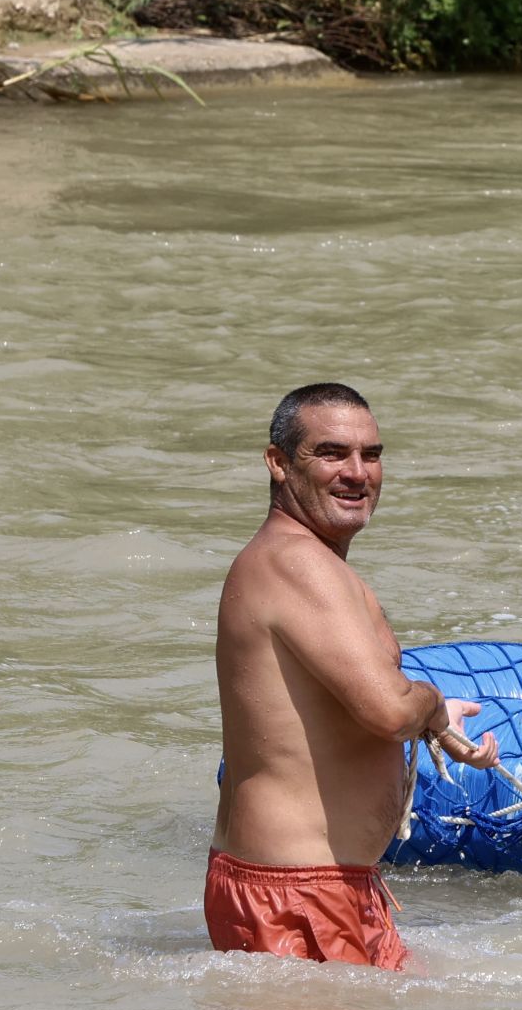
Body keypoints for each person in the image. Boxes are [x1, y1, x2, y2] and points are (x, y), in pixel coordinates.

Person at [206, 382, 499, 971]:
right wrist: (432, 706)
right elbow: (389, 711)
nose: (358, 472)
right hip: (296, 891)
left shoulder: (298, 561)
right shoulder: (297, 562)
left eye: (372, 454)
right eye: (332, 453)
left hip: (321, 883)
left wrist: (434, 724)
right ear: (278, 463)